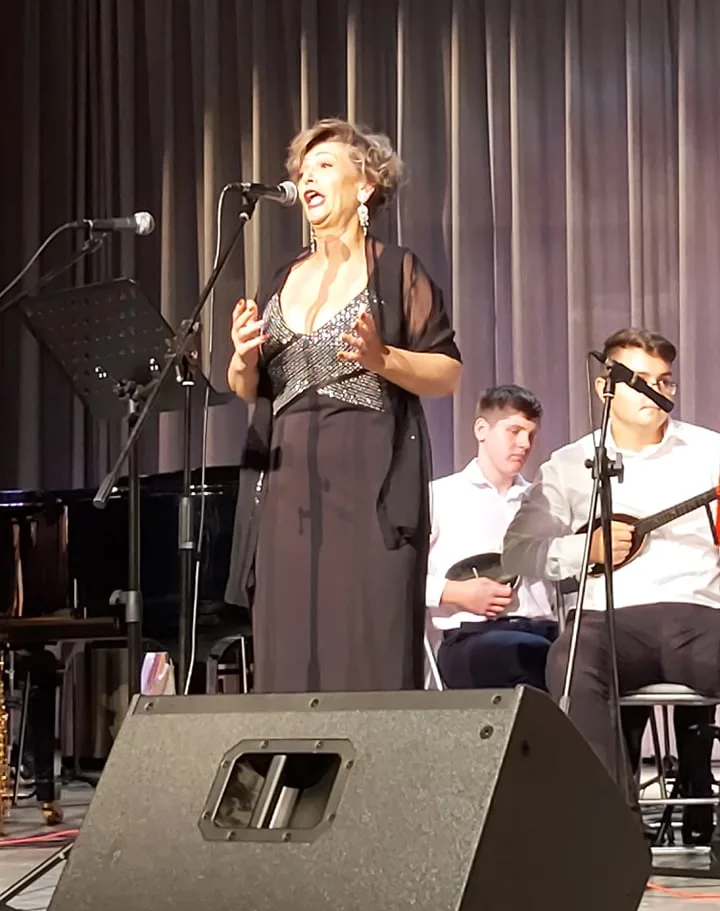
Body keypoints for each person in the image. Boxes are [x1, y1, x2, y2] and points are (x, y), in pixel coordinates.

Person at [224, 118, 462, 693]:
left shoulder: (397, 269)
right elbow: (247, 388)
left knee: (365, 642)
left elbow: (447, 373)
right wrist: (243, 359)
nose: (307, 178)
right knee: (290, 644)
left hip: (370, 482)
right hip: (287, 485)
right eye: (303, 171)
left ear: (365, 186)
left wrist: (384, 359)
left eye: (324, 167)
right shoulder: (282, 277)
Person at [503, 328, 720, 837]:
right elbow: (517, 551)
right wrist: (588, 550)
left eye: (664, 381)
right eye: (640, 380)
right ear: (606, 388)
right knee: (571, 661)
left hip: (699, 614)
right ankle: (612, 833)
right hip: (609, 622)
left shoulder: (709, 450)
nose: (656, 392)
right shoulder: (569, 466)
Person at [427, 385, 556, 690]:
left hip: (542, 632)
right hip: (472, 637)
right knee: (519, 655)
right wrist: (453, 592)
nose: (524, 444)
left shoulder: (544, 502)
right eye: (514, 431)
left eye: (531, 435)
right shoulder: (440, 496)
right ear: (481, 430)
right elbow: (397, 579)